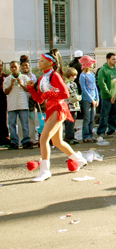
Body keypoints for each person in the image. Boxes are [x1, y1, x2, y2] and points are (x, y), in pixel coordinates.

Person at [26, 51, 88, 181]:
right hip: (50, 109)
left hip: (58, 108)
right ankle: (79, 159)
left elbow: (65, 94)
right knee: (57, 142)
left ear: (51, 63)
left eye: (42, 60)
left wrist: (48, 95)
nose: (39, 62)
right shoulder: (43, 78)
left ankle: (45, 171)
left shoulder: (55, 76)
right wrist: (31, 89)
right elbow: (39, 100)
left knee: (43, 139)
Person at [3, 61, 33, 150]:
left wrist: (21, 84)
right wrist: (12, 85)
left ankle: (26, 141)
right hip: (12, 104)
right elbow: (6, 92)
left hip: (22, 104)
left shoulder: (24, 77)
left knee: (24, 124)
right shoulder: (7, 79)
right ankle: (14, 142)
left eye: (15, 67)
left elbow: (29, 90)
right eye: (12, 67)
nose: (14, 69)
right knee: (11, 124)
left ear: (19, 67)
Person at [97, 53, 116, 139]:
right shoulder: (103, 70)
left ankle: (112, 130)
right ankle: (101, 131)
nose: (115, 61)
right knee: (104, 115)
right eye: (113, 59)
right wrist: (108, 94)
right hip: (107, 98)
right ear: (108, 59)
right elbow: (101, 83)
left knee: (114, 115)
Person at [79, 55, 99, 143]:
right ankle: (86, 136)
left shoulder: (92, 74)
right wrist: (91, 100)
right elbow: (84, 89)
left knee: (92, 118)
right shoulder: (82, 76)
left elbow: (95, 87)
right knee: (87, 118)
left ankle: (91, 134)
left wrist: (97, 98)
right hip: (87, 100)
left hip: (94, 99)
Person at [20, 57, 38, 145]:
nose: (24, 67)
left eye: (26, 65)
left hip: (31, 101)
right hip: (21, 100)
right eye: (22, 66)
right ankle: (22, 138)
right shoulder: (19, 77)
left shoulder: (33, 76)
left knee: (31, 119)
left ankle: (32, 138)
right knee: (22, 120)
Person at [64, 67, 81, 145]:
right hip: (71, 106)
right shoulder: (70, 84)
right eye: (74, 75)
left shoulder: (65, 83)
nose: (75, 77)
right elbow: (72, 95)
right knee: (70, 123)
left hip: (68, 106)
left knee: (69, 123)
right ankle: (69, 137)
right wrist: (79, 97)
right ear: (70, 75)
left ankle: (69, 136)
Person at [0, 59, 10, 145]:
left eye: (1, 65)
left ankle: (4, 137)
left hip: (3, 101)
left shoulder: (6, 77)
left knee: (3, 119)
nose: (0, 67)